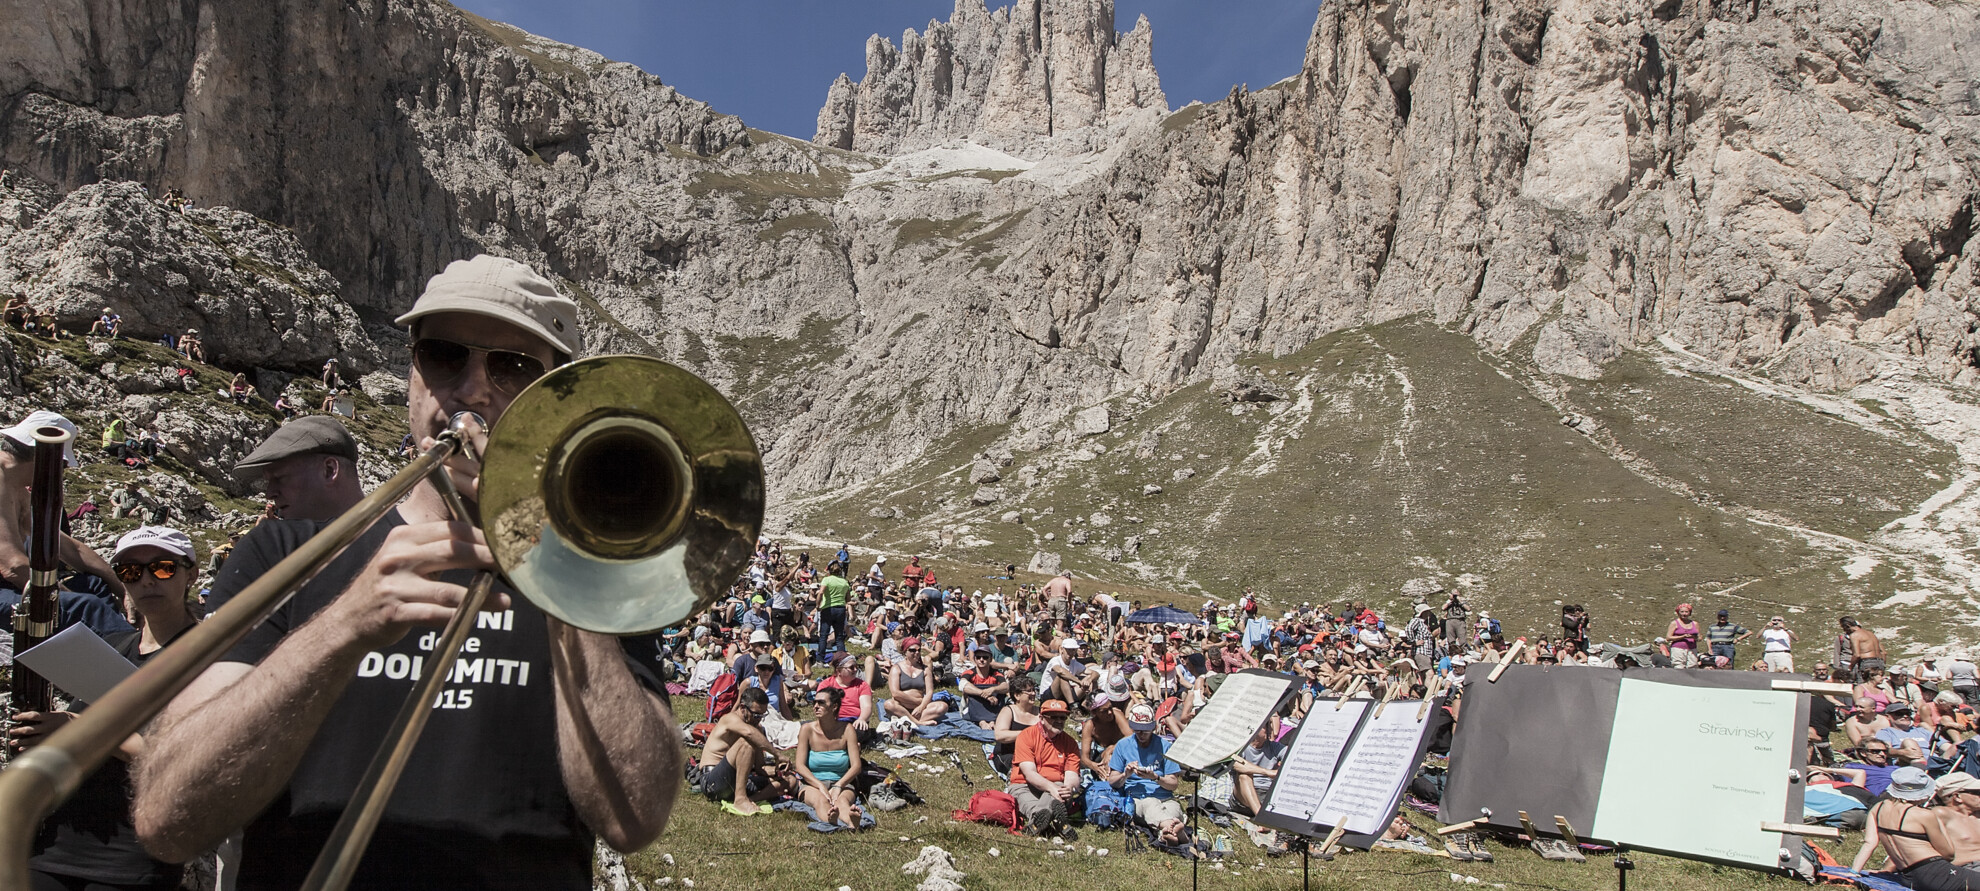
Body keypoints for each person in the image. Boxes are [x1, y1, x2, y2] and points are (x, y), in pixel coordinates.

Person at [132, 255, 683, 889]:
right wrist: (340, 628)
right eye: (446, 356)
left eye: (513, 368)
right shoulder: (280, 553)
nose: (473, 390)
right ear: (412, 377)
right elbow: (167, 818)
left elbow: (633, 817)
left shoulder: (599, 576)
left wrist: (559, 564)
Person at [8, 527, 200, 891]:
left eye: (162, 568)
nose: (145, 580)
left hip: (133, 856)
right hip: (55, 843)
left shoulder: (208, 652)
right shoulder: (111, 646)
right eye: (130, 571)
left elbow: (182, 756)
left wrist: (81, 728)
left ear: (191, 573)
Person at [1851, 767, 1969, 890]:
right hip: (1936, 873)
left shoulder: (1878, 808)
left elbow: (1869, 843)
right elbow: (1948, 854)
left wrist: (1854, 871)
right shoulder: (1923, 814)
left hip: (1908, 877)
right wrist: (1940, 824)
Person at [234, 415, 365, 523]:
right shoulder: (280, 548)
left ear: (329, 470)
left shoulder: (384, 541)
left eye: (280, 478)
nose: (269, 494)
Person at [698, 688, 789, 816]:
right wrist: (777, 754)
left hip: (738, 781)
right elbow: (749, 734)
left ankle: (751, 800)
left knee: (789, 781)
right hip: (712, 782)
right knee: (747, 741)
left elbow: (760, 768)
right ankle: (740, 800)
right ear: (742, 707)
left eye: (763, 715)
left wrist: (778, 771)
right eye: (756, 715)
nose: (759, 719)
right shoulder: (729, 719)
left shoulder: (755, 729)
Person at [1105, 703, 1185, 844]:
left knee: (1174, 807)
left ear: (1153, 728)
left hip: (1165, 797)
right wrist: (1126, 774)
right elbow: (1112, 781)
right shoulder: (1123, 745)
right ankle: (1173, 829)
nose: (1141, 734)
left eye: (1145, 731)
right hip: (1138, 798)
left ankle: (1166, 831)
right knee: (1150, 803)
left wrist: (1155, 777)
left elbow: (1173, 784)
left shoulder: (1164, 746)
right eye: (1137, 730)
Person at [1006, 698, 1082, 838]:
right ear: (1041, 718)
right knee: (1032, 801)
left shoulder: (1070, 743)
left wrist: (1068, 789)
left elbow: (1072, 775)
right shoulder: (1026, 736)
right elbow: (1029, 774)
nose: (1059, 721)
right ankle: (1056, 821)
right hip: (1024, 785)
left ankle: (1037, 823)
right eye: (1053, 717)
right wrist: (1052, 788)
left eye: (1062, 717)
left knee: (1060, 788)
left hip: (1058, 787)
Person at [794, 686, 864, 829]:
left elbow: (856, 766)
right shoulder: (807, 729)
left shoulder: (847, 729)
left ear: (834, 707)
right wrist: (819, 785)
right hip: (812, 783)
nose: (815, 707)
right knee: (820, 800)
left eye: (821, 703)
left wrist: (839, 785)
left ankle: (851, 822)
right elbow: (800, 766)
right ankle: (831, 819)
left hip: (841, 781)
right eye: (814, 703)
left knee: (842, 801)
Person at [1231, 721, 1285, 817]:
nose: (1269, 730)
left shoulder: (1274, 746)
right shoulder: (1241, 747)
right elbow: (1237, 765)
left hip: (1267, 793)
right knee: (1244, 776)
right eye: (1265, 727)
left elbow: (1291, 755)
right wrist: (1268, 772)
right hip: (1243, 796)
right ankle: (1261, 818)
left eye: (1270, 727)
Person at [991, 675, 1042, 776]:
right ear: (1017, 695)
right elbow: (999, 735)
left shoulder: (1041, 712)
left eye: (1033, 690)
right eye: (1029, 691)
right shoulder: (1008, 711)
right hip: (1010, 754)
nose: (1033, 693)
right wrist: (1028, 733)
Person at [1844, 617, 1887, 683]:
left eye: (1844, 628)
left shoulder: (1855, 635)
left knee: (1864, 685)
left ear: (1847, 625)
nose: (1844, 631)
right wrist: (1883, 666)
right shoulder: (1871, 634)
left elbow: (1857, 655)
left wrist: (1850, 668)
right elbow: (1884, 652)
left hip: (1867, 662)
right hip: (1879, 661)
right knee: (1877, 685)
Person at [1667, 603, 1704, 669]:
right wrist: (1683, 636)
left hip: (1692, 649)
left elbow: (1700, 637)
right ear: (1678, 613)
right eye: (1682, 612)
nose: (1684, 614)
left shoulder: (1695, 624)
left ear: (1690, 613)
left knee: (1693, 666)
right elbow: (1668, 637)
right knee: (1679, 666)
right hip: (1678, 648)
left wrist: (1694, 637)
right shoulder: (1674, 623)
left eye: (1686, 612)